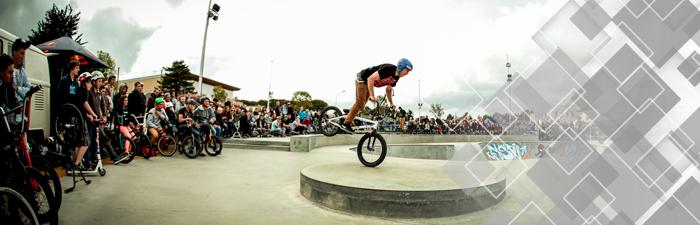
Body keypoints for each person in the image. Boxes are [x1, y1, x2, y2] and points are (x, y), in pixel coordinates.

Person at [342, 58, 413, 132]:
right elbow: (370, 79)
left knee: (361, 107)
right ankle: (346, 124)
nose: (407, 73)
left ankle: (349, 113)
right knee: (360, 103)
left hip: (369, 83)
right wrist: (372, 95)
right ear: (401, 66)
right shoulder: (389, 69)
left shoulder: (396, 78)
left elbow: (388, 90)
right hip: (362, 79)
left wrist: (391, 103)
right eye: (407, 70)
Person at [56, 61, 98, 170]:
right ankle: (66, 163)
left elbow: (77, 100)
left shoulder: (75, 83)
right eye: (77, 67)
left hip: (73, 114)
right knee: (66, 139)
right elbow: (59, 97)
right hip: (65, 113)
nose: (78, 70)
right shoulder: (64, 81)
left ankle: (72, 162)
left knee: (72, 139)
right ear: (72, 68)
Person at [111, 96, 134, 163]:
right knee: (128, 136)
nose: (126, 101)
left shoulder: (127, 108)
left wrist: (131, 123)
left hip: (126, 125)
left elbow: (129, 118)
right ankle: (126, 151)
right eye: (125, 100)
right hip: (121, 125)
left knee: (133, 136)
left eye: (127, 100)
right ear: (122, 101)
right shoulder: (118, 109)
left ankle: (129, 150)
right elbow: (115, 119)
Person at [0, 54, 17, 140]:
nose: (12, 75)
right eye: (10, 72)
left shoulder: (9, 85)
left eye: (13, 72)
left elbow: (13, 102)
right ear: (1, 72)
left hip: (7, 126)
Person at [11, 39, 32, 103]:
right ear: (14, 52)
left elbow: (29, 90)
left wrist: (17, 88)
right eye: (21, 53)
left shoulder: (22, 71)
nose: (23, 57)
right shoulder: (6, 69)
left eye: (24, 54)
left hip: (21, 110)